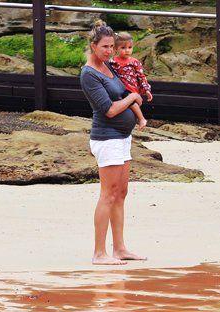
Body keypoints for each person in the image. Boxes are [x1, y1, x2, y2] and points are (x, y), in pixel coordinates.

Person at [80, 24, 146, 265]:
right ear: (93, 46)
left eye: (111, 46)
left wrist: (137, 112)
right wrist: (132, 97)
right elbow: (109, 109)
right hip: (106, 138)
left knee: (121, 194)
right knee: (108, 195)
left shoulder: (107, 66)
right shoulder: (89, 74)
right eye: (104, 47)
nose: (109, 51)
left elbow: (121, 92)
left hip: (122, 138)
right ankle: (99, 253)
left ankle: (119, 248)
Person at [110, 31, 152, 130]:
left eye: (130, 47)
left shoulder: (134, 62)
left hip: (131, 89)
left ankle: (141, 119)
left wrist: (146, 90)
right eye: (123, 48)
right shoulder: (113, 61)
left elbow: (141, 76)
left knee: (131, 102)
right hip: (118, 88)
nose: (127, 50)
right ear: (116, 49)